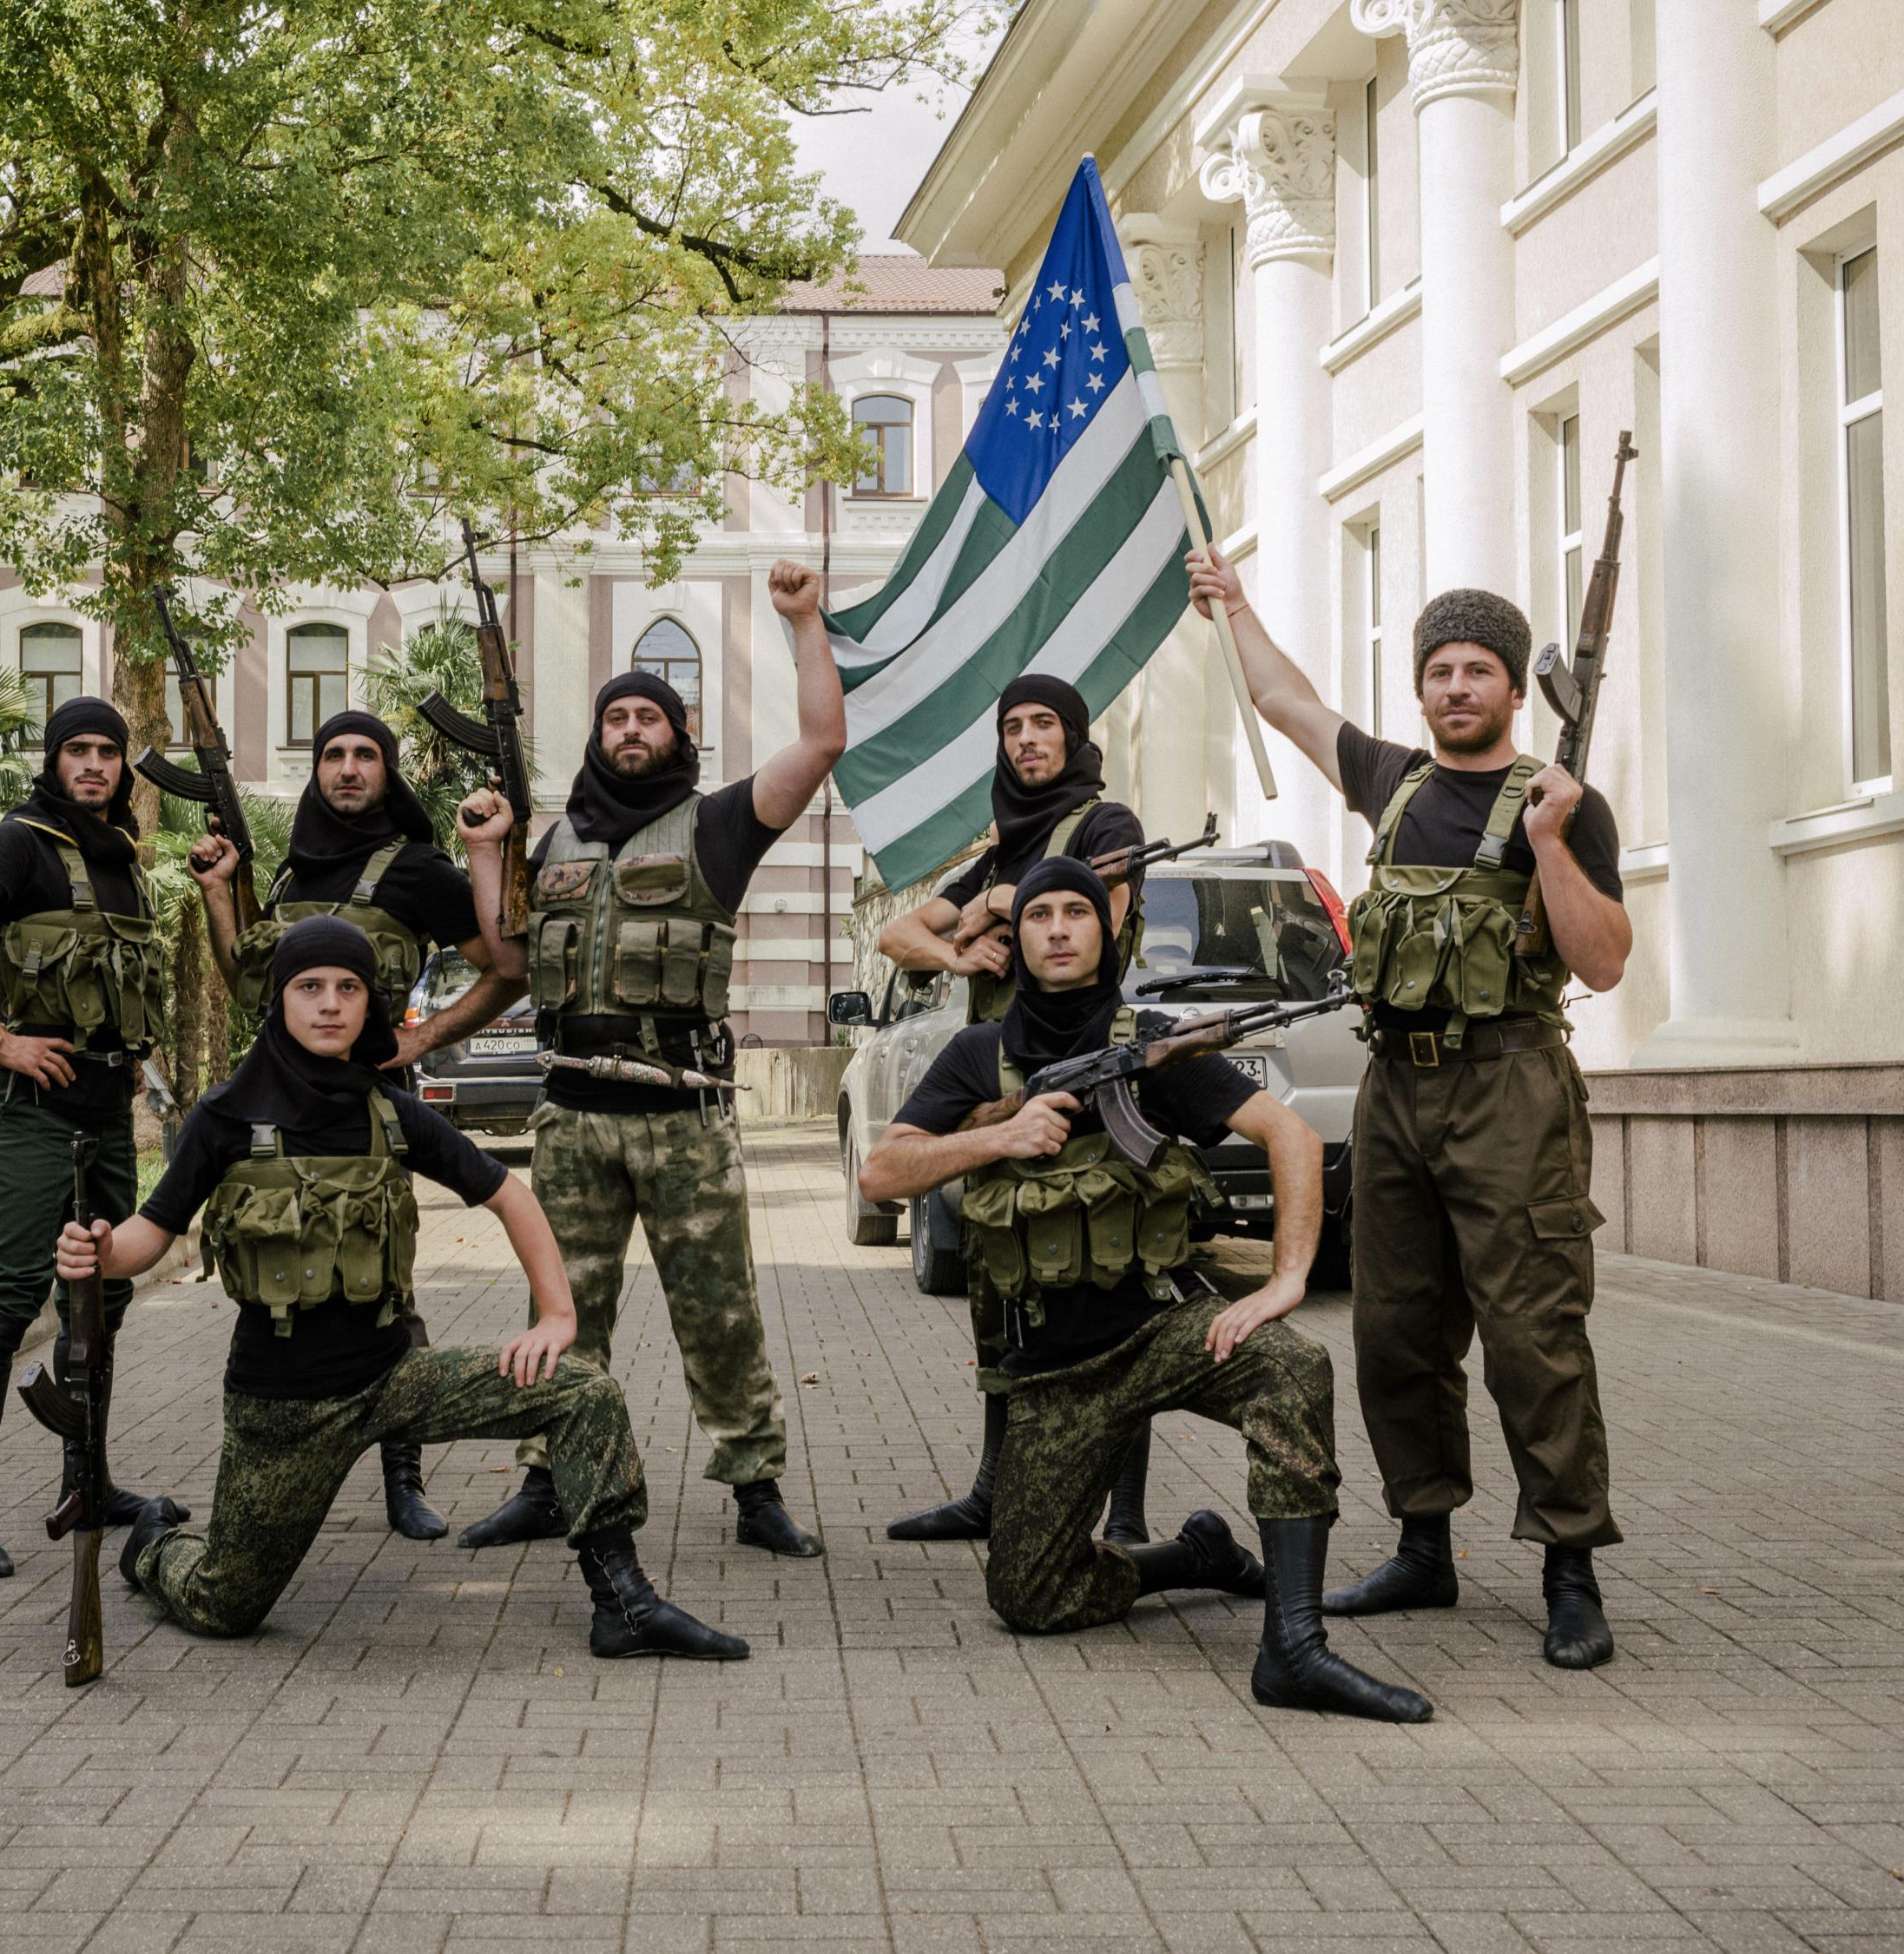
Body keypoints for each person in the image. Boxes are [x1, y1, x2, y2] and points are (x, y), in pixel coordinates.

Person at [58, 917, 747, 1661]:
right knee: (225, 1603)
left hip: (396, 1377)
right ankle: (156, 1543)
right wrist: (100, 1248)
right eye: (310, 987)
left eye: (348, 987)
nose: (330, 1004)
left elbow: (509, 1196)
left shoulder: (389, 1112)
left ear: (370, 1006)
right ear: (280, 1002)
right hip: (283, 1406)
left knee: (584, 1391)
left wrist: (556, 1314)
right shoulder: (226, 1115)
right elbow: (151, 1234)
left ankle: (624, 1604)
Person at [857, 857, 1432, 1723]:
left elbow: (1291, 1136)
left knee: (1293, 1365)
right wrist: (999, 1135)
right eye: (1037, 914)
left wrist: (1285, 1279)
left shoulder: (1153, 1041)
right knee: (1030, 1598)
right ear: (1014, 943)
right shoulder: (983, 1052)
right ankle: (1190, 1557)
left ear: (1106, 934)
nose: (1055, 927)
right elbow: (882, 1172)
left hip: (1165, 1331)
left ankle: (1295, 1646)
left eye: (1075, 913)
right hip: (1055, 1368)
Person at [1187, 546, 1626, 1671]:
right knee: (1395, 1327)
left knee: (1533, 1332)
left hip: (1510, 1085)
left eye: (1479, 668)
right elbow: (1285, 699)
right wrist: (1235, 603)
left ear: (1514, 689)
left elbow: (1607, 960)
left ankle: (1569, 1565)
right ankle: (1422, 1543)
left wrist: (1547, 846)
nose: (1456, 686)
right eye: (1440, 668)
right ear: (1421, 686)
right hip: (1397, 1088)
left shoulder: (1564, 802)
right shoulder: (1397, 782)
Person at [452, 561, 846, 1558]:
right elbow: (509, 960)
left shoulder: (719, 826)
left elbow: (821, 742)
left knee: (718, 1313)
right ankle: (547, 1477)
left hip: (683, 1117)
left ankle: (756, 1487)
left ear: (679, 735)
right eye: (617, 716)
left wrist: (802, 622)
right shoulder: (558, 840)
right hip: (572, 1118)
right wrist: (488, 852)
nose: (632, 729)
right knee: (564, 1311)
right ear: (598, 736)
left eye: (651, 717)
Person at [189, 708, 528, 1542]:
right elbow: (248, 986)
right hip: (273, 1103)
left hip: (370, 1112)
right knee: (273, 1267)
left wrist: (427, 1034)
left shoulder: (414, 868)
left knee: (383, 1279)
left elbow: (507, 967)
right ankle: (273, 1455)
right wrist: (216, 899)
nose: (347, 769)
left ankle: (403, 1478)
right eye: (332, 754)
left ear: (388, 772)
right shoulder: (285, 874)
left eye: (364, 756)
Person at [0, 695, 186, 1579]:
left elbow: (112, 976)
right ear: (55, 760)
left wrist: (133, 1057)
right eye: (79, 750)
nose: (94, 764)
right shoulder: (19, 839)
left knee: (99, 1300)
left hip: (104, 1112)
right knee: (4, 1304)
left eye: (108, 752)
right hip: (34, 1111)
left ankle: (89, 1485)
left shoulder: (125, 858)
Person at [875, 674, 1160, 1549]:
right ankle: (994, 1490)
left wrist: (1000, 904)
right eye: (1012, 727)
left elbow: (1098, 923)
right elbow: (899, 933)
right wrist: (961, 956)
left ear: (1074, 737)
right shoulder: (999, 849)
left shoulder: (1106, 828)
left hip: (1092, 1086)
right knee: (999, 1292)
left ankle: (1128, 1513)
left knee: (1112, 1291)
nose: (1027, 739)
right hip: (996, 1093)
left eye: (1044, 724)